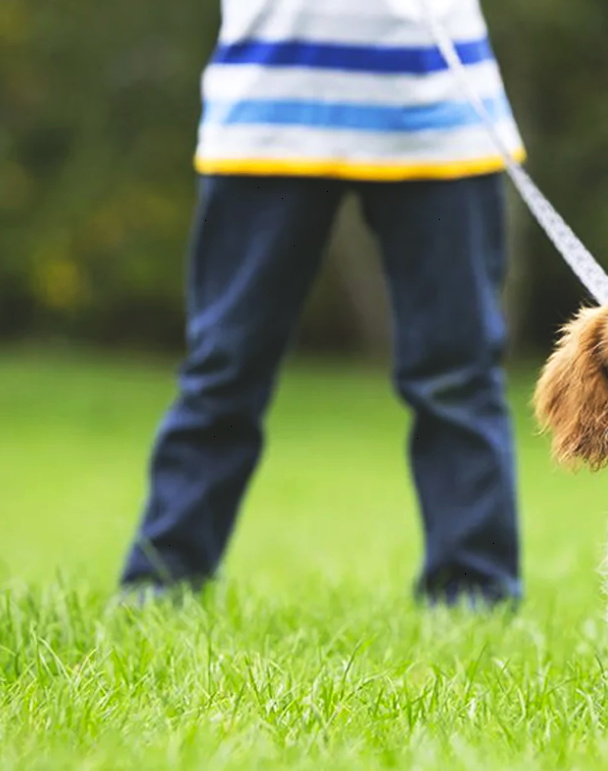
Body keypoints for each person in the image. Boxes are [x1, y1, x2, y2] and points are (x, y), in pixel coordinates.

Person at [119, 0, 523, 606]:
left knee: (457, 377)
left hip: (439, 113)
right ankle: (162, 580)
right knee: (224, 369)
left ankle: (474, 591)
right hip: (266, 114)